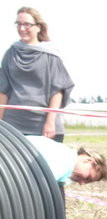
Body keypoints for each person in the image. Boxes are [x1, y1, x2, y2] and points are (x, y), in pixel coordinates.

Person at [0, 6, 74, 141]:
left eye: (27, 24)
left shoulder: (51, 55)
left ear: (38, 27)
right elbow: (3, 90)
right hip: (14, 126)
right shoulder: (10, 54)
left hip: (44, 126)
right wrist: (1, 124)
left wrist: (50, 122)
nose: (22, 28)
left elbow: (57, 91)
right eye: (18, 24)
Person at [26, 135, 107, 185]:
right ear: (89, 161)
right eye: (87, 178)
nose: (81, 183)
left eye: (86, 182)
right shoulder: (64, 162)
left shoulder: (66, 156)